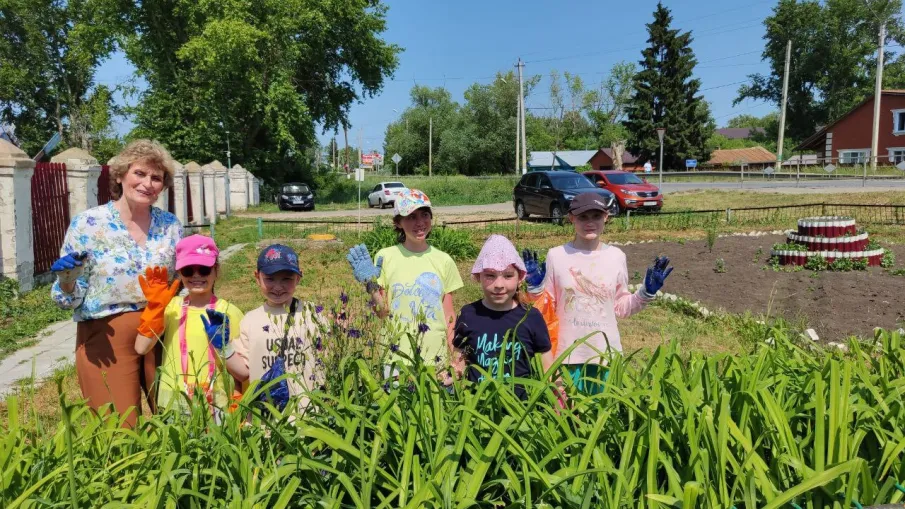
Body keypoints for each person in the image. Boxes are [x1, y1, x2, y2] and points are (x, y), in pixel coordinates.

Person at [50, 139, 183, 428]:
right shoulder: (89, 224)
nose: (147, 183)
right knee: (118, 427)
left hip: (162, 330)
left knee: (177, 418)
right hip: (105, 334)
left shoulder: (170, 225)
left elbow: (182, 280)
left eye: (156, 178)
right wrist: (67, 282)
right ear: (121, 175)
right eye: (140, 173)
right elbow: (66, 299)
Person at [523, 192, 672, 395]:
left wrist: (645, 293)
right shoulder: (556, 255)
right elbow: (545, 308)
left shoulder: (616, 256)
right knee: (567, 417)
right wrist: (535, 289)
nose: (590, 222)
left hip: (605, 354)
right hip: (566, 354)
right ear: (571, 218)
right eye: (583, 217)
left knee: (603, 416)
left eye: (596, 216)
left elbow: (620, 307)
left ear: (606, 217)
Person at [346, 189, 463, 371]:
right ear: (398, 222)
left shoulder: (444, 260)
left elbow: (449, 316)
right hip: (396, 355)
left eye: (425, 215)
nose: (419, 223)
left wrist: (455, 354)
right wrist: (370, 284)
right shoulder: (386, 256)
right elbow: (382, 312)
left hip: (435, 355)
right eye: (411, 217)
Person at [135, 235, 244, 417]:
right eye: (187, 270)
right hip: (174, 402)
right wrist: (155, 309)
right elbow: (141, 347)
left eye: (204, 269)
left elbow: (241, 366)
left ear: (216, 271)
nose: (196, 276)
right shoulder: (171, 309)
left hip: (217, 403)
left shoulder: (229, 312)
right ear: (179, 274)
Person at [453, 235, 553, 400]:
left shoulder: (530, 317)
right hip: (477, 410)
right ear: (478, 276)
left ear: (520, 278)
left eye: (508, 276)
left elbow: (547, 365)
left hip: (521, 411)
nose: (499, 285)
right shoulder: (469, 314)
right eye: (490, 276)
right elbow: (462, 355)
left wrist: (557, 394)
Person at [229, 244, 321, 412]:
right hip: (264, 419)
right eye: (270, 279)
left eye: (286, 279)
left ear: (298, 278)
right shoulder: (250, 320)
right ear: (257, 277)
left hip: (307, 414)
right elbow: (243, 372)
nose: (278, 287)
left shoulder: (312, 313)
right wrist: (224, 347)